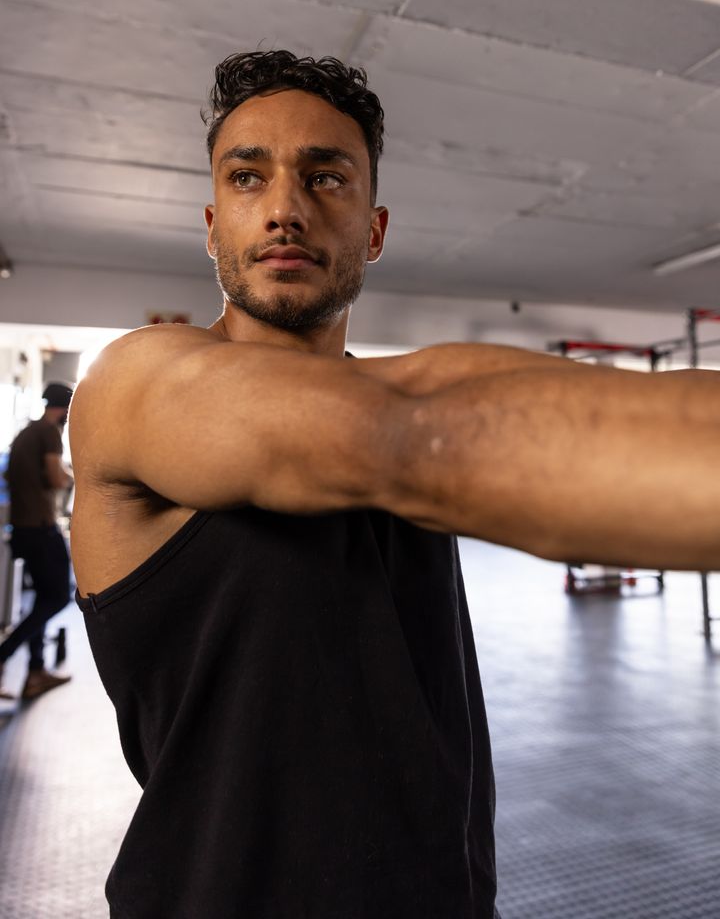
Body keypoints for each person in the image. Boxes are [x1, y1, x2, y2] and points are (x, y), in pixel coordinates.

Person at [69, 51, 720, 919]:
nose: (286, 207)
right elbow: (409, 436)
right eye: (248, 176)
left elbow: (446, 396)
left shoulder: (397, 385)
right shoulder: (136, 387)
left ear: (373, 231)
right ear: (213, 222)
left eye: (325, 176)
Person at [0, 382, 73, 700]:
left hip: (23, 528)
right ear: (65, 409)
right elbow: (56, 478)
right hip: (41, 529)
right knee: (58, 597)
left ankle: (36, 672)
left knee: (43, 598)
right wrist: (78, 475)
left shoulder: (26, 433)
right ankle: (4, 656)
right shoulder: (49, 433)